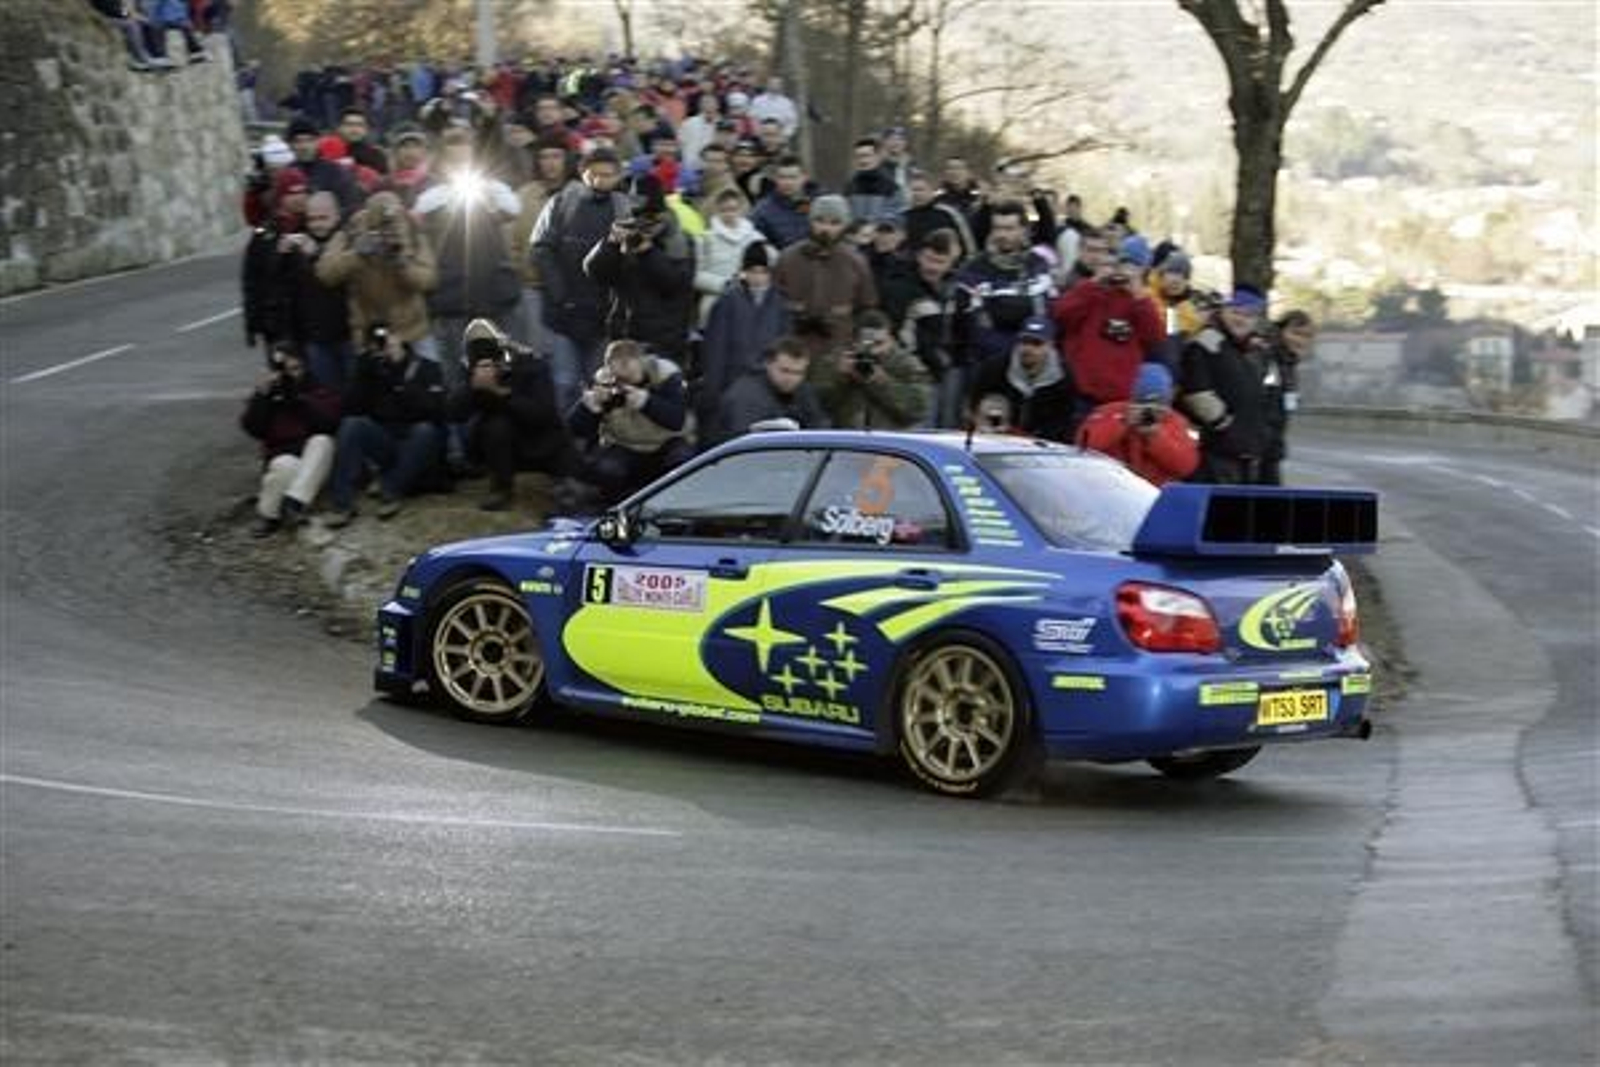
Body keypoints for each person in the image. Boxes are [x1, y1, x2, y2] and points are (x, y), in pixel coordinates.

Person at [416, 127, 524, 400]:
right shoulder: (432, 194)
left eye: (465, 159)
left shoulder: (493, 188)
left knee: (503, 369)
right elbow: (421, 210)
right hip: (452, 298)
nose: (460, 166)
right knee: (456, 374)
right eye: (454, 160)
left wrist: (485, 194)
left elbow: (513, 207)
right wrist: (453, 196)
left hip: (494, 295)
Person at [532, 146, 632, 412]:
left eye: (607, 175)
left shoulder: (624, 208)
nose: (600, 180)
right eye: (594, 174)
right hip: (564, 313)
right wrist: (560, 295)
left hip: (604, 316)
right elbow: (541, 249)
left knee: (600, 387)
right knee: (563, 384)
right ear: (582, 172)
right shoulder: (562, 202)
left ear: (618, 176)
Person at [325, 327, 447, 526]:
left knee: (425, 431)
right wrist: (362, 374)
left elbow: (436, 411)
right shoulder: (373, 370)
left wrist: (399, 378)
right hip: (386, 441)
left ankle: (389, 490)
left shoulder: (427, 367)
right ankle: (342, 504)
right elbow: (349, 409)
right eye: (379, 345)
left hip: (418, 442)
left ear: (401, 340)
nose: (385, 349)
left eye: (388, 342)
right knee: (352, 424)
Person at [446, 320, 572, 512]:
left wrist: (501, 391)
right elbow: (453, 414)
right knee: (495, 424)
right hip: (498, 442)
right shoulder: (471, 368)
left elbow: (543, 414)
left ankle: (562, 483)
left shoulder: (530, 364)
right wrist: (472, 386)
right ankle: (501, 489)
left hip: (538, 439)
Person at [950, 200, 1056, 426]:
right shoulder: (974, 270)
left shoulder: (1038, 267)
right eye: (997, 228)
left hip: (1033, 375)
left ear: (1024, 230)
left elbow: (1046, 317)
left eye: (1009, 228)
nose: (1002, 235)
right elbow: (975, 327)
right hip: (987, 375)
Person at [316, 190, 439, 368]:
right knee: (372, 383)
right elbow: (325, 274)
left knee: (429, 378)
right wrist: (356, 255)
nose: (385, 232)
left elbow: (429, 280)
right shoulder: (351, 229)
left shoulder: (411, 228)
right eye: (380, 227)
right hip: (369, 334)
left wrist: (401, 264)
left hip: (413, 331)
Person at [582, 174, 697, 362]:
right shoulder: (626, 234)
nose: (643, 224)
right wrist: (610, 243)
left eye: (649, 218)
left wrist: (647, 252)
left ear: (661, 215)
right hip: (624, 337)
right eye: (638, 217)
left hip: (664, 341)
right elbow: (594, 271)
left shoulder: (679, 241)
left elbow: (675, 284)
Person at [568, 340, 693, 504]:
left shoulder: (665, 376)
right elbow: (574, 429)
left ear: (641, 362)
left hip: (666, 444)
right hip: (625, 446)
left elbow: (676, 420)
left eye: (630, 372)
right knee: (606, 469)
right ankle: (617, 506)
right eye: (620, 375)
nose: (625, 380)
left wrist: (646, 402)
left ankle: (675, 504)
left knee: (683, 461)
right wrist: (589, 408)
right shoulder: (605, 380)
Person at [1050, 241, 1164, 415]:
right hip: (1082, 393)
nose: (1118, 272)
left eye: (1128, 267)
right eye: (1112, 265)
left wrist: (1138, 295)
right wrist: (1095, 283)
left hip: (1121, 397)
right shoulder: (1088, 292)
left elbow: (1155, 336)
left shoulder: (1140, 301)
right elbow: (1061, 315)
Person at [773, 195, 879, 378]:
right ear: (810, 221)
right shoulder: (787, 258)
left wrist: (862, 354)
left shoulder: (856, 262)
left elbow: (868, 313)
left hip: (838, 360)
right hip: (793, 358)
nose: (826, 228)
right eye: (820, 220)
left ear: (845, 225)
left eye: (834, 223)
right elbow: (771, 308)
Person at [239, 344, 341, 536]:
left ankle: (292, 504)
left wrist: (299, 401)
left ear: (305, 367)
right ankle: (274, 515)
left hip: (315, 462)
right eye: (286, 370)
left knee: (322, 441)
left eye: (296, 369)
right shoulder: (269, 394)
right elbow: (253, 428)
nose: (291, 375)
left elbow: (328, 423)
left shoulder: (316, 388)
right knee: (283, 468)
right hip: (283, 458)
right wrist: (262, 396)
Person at [1178, 286, 1270, 485]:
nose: (1241, 319)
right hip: (1216, 452)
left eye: (1249, 315)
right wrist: (1226, 426)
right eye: (1236, 312)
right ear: (1223, 311)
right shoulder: (1206, 342)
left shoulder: (1250, 351)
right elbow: (1196, 392)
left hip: (1245, 453)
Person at [698, 243, 792, 428]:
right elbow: (716, 351)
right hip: (733, 385)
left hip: (768, 388)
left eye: (763, 272)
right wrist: (713, 392)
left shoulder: (780, 304)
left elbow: (784, 345)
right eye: (752, 271)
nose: (757, 278)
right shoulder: (727, 301)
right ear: (744, 272)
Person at [1075, 362, 1199, 486]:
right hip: (1110, 486)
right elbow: (1083, 446)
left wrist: (1155, 436)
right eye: (1142, 403)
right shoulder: (1110, 412)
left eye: (1159, 404)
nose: (1150, 410)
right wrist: (1122, 423)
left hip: (1154, 491)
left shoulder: (1177, 422)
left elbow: (1186, 466)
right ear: (1132, 399)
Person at [879, 228, 961, 409]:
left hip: (940, 374)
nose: (932, 267)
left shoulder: (953, 290)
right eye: (929, 259)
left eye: (940, 262)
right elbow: (894, 334)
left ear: (951, 263)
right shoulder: (901, 288)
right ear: (919, 256)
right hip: (909, 376)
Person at [279, 192, 353, 389]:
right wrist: (281, 257)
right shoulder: (299, 247)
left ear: (337, 216)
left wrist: (316, 255)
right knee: (327, 398)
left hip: (350, 337)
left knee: (356, 397)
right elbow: (291, 296)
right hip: (316, 340)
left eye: (323, 218)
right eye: (312, 219)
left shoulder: (348, 240)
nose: (317, 224)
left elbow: (340, 281)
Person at [965, 316, 1077, 442]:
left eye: (1037, 343)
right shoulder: (996, 367)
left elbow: (1063, 423)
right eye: (1024, 342)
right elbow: (973, 405)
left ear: (1050, 345)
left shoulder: (1062, 377)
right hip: (994, 438)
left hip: (1041, 444)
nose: (1028, 348)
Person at [705, 337, 828, 450]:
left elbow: (820, 428)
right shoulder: (746, 397)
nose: (791, 379)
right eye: (785, 370)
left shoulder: (803, 391)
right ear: (768, 364)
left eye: (798, 373)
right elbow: (745, 446)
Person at [820, 311, 931, 430]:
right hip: (849, 437)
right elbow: (821, 408)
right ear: (854, 341)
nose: (873, 351)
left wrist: (881, 382)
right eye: (866, 344)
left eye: (879, 343)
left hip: (889, 438)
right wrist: (841, 379)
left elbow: (918, 410)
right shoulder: (838, 360)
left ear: (891, 339)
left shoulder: (908, 365)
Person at [693, 187, 765, 324]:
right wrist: (725, 284)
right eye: (724, 210)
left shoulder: (756, 238)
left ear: (741, 210)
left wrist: (751, 281)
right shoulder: (705, 239)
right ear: (717, 210)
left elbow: (768, 267)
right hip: (715, 302)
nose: (729, 214)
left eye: (733, 209)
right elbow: (696, 275)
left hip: (750, 301)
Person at [1260, 309, 1314, 485]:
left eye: (1306, 336)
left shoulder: (1288, 363)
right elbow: (1262, 401)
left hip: (1272, 448)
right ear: (1280, 331)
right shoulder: (1269, 359)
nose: (1300, 340)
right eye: (1295, 333)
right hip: (1259, 451)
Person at [749, 156, 813, 250]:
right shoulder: (762, 211)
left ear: (804, 177)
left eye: (793, 177)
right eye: (782, 177)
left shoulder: (816, 204)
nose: (788, 183)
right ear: (775, 178)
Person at [844, 136, 906, 225]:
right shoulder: (850, 186)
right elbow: (845, 216)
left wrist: (873, 226)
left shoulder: (891, 188)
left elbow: (897, 218)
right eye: (858, 157)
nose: (862, 161)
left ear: (877, 157)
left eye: (866, 156)